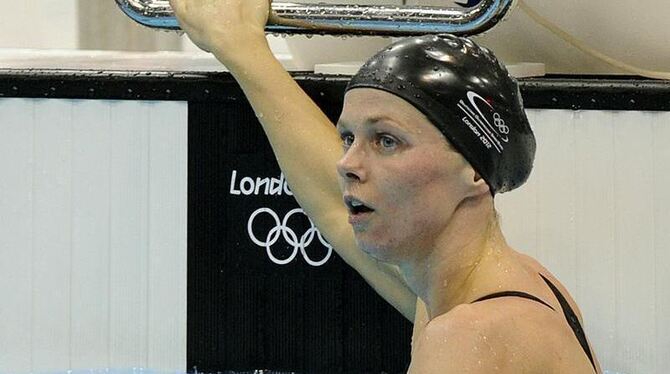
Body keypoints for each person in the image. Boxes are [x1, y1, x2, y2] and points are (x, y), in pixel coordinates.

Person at [169, 0, 602, 372]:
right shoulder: (513, 288)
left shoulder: (472, 338)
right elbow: (331, 203)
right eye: (348, 139)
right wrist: (241, 46)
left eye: (387, 142)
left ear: (473, 170)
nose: (347, 164)